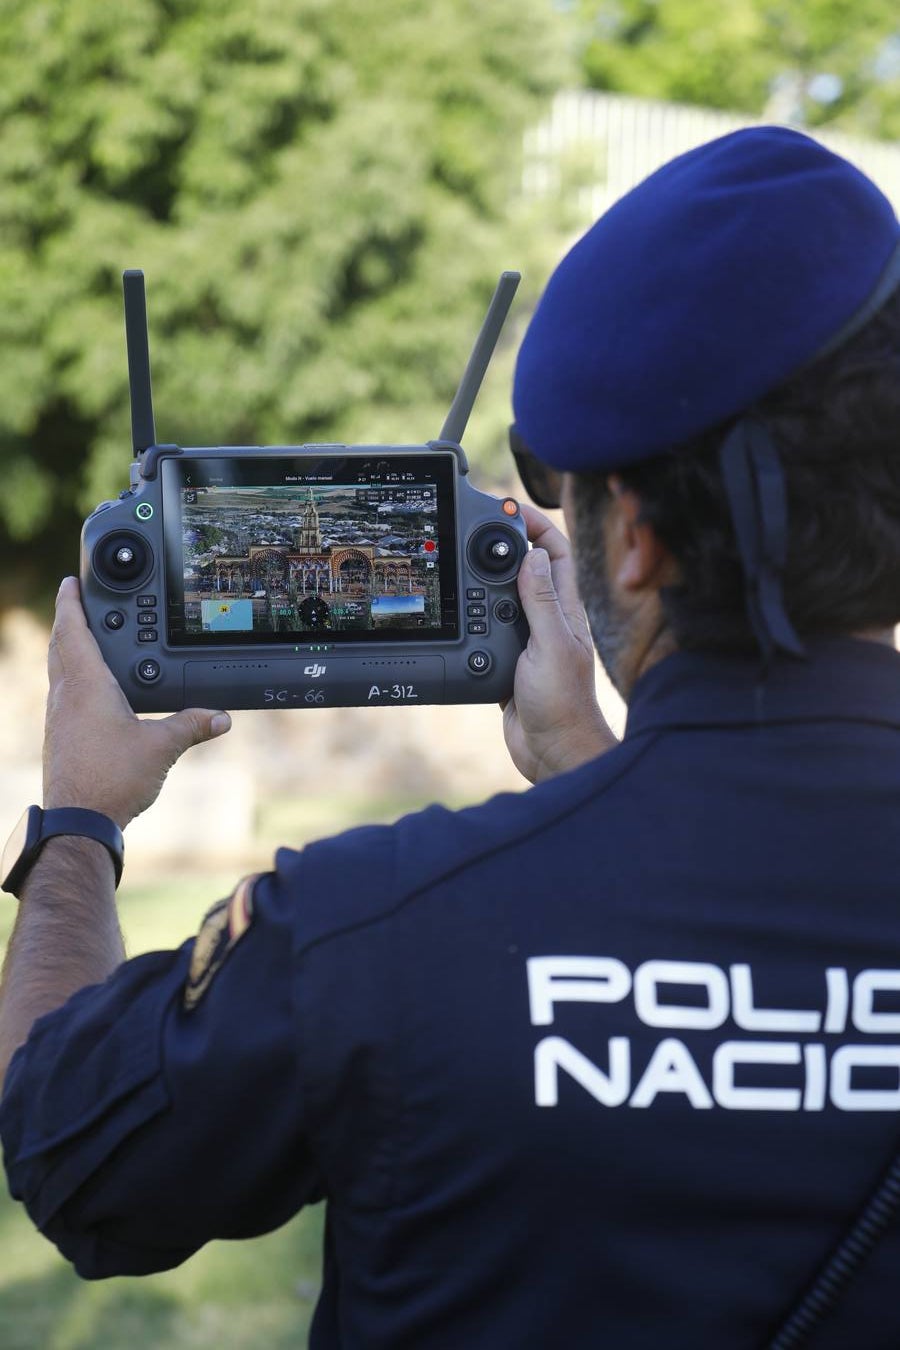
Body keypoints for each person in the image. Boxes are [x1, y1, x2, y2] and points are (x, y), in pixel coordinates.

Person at [3, 124, 900, 1349]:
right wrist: (593, 761)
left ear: (630, 538)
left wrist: (75, 827)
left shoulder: (376, 929)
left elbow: (67, 1144)